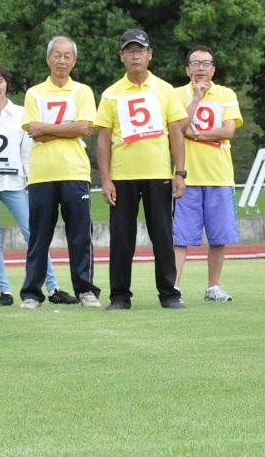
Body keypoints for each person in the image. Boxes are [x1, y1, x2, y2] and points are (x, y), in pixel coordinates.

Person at [0, 65, 74, 306]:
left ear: (6, 84)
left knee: (33, 235)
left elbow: (27, 153)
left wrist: (31, 183)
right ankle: (4, 292)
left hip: (14, 184)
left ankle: (53, 287)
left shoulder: (22, 113)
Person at [95, 28, 187, 310]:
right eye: (129, 51)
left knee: (163, 235)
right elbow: (102, 140)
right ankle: (120, 296)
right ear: (121, 56)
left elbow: (176, 134)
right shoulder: (111, 94)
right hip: (122, 176)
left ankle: (169, 293)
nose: (135, 55)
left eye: (140, 50)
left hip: (159, 174)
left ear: (149, 55)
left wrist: (179, 173)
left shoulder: (166, 90)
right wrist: (106, 179)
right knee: (122, 238)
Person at [19, 37, 103, 309]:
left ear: (74, 61)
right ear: (48, 59)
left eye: (68, 56)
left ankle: (85, 290)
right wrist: (65, 128)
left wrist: (47, 128)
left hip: (75, 171)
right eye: (57, 55)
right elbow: (34, 132)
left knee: (80, 234)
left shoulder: (82, 91)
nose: (62, 60)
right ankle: (31, 293)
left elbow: (84, 128)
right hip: (42, 174)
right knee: (39, 236)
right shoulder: (34, 93)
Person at [173, 45, 243, 302]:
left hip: (219, 176)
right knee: (180, 237)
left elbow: (228, 131)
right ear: (187, 68)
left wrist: (198, 134)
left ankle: (213, 286)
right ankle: (175, 287)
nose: (200, 68)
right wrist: (197, 98)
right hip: (187, 176)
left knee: (218, 236)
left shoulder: (226, 95)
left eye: (206, 63)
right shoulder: (177, 95)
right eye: (195, 63)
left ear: (213, 68)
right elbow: (178, 127)